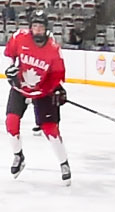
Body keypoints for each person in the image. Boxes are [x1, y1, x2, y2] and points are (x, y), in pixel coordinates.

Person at [4, 13, 68, 182]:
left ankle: (64, 163)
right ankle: (19, 156)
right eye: (35, 26)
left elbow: (57, 75)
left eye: (41, 27)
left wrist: (57, 89)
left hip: (43, 92)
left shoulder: (54, 49)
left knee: (50, 130)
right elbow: (10, 55)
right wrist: (10, 71)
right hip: (20, 87)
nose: (38, 30)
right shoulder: (19, 37)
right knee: (11, 122)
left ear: (47, 29)